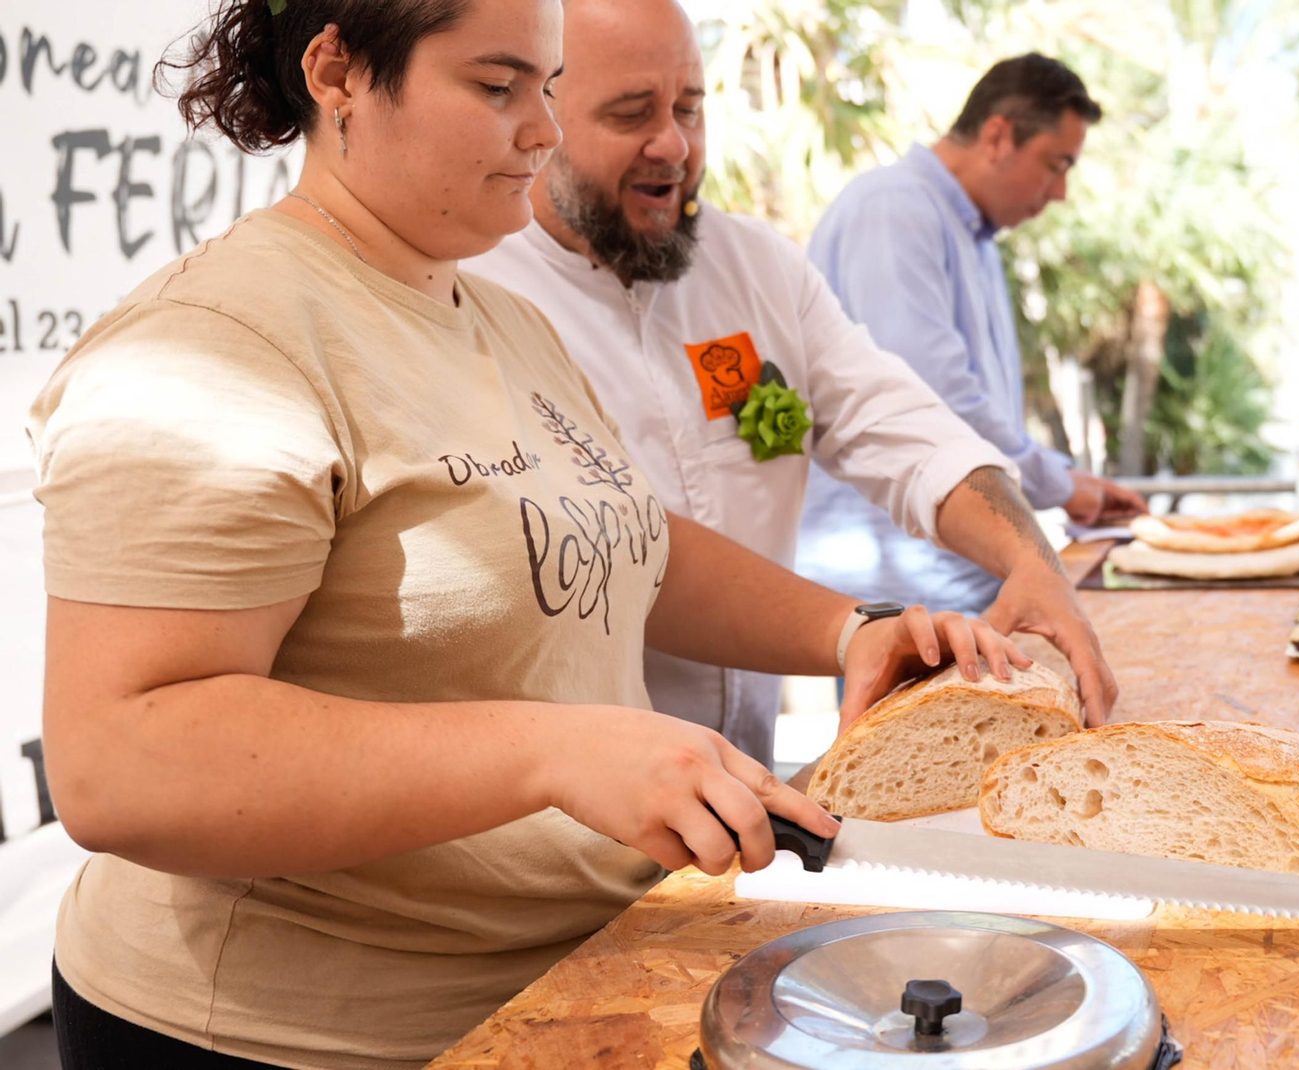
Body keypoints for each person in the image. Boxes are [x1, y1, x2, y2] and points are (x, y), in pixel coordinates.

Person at [26, 2, 1026, 1067]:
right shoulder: (220, 341)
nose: (542, 131)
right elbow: (120, 764)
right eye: (497, 87)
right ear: (338, 74)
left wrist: (850, 630)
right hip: (296, 1036)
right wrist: (555, 749)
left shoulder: (499, 317)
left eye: (545, 90)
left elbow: (624, 543)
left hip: (571, 984)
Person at [464, 0, 1119, 762]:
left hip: (746, 773)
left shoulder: (757, 267)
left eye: (689, 108)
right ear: (541, 118)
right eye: (632, 113)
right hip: (585, 788)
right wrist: (854, 631)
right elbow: (620, 547)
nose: (673, 144)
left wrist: (1031, 560)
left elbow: (908, 430)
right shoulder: (475, 293)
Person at [798, 53, 1149, 617]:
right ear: (998, 136)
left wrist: (1060, 478)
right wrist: (1058, 485)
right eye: (1056, 164)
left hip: (952, 577)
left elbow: (977, 406)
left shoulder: (972, 235)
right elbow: (934, 400)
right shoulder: (894, 208)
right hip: (899, 586)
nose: (1060, 191)